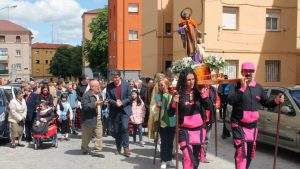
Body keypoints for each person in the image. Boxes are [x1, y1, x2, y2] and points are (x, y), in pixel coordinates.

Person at [228, 62, 284, 169]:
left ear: (253, 72)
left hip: (252, 127)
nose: (248, 73)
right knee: (241, 152)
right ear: (242, 72)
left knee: (249, 154)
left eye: (251, 71)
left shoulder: (258, 87)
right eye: (246, 71)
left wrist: (275, 101)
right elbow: (230, 101)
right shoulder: (236, 86)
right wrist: (242, 89)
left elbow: (266, 102)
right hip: (238, 125)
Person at [175, 68, 210, 169]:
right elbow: (170, 113)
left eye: (193, 79)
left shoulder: (199, 93)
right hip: (184, 130)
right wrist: (174, 103)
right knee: (187, 155)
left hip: (198, 130)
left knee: (195, 159)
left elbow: (209, 107)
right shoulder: (179, 94)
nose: (191, 82)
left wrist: (205, 97)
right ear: (184, 81)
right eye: (188, 80)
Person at [106, 70, 132, 157]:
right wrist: (115, 102)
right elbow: (108, 98)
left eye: (116, 77)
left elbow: (130, 97)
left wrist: (122, 102)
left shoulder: (126, 85)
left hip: (125, 110)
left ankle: (126, 148)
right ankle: (118, 147)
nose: (115, 79)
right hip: (115, 111)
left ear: (119, 77)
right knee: (117, 130)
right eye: (113, 78)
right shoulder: (109, 86)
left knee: (124, 128)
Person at [154, 78, 176, 169]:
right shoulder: (158, 95)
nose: (161, 87)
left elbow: (174, 106)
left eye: (162, 85)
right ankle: (163, 160)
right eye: (160, 85)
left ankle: (169, 159)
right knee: (164, 141)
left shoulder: (172, 94)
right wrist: (165, 96)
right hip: (162, 120)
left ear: (167, 85)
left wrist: (172, 96)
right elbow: (159, 105)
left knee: (171, 141)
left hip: (171, 120)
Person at [81, 80, 104, 158]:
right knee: (87, 136)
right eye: (97, 86)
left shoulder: (99, 94)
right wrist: (95, 104)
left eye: (99, 85)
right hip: (89, 119)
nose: (99, 87)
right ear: (92, 87)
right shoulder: (86, 95)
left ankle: (97, 150)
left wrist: (104, 104)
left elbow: (101, 104)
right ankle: (84, 148)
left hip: (98, 118)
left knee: (99, 134)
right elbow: (85, 107)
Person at [218, 75, 231, 139]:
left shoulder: (222, 85)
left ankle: (226, 133)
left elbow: (219, 94)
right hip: (227, 103)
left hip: (226, 103)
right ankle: (225, 133)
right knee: (226, 118)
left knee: (226, 118)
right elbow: (219, 94)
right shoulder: (228, 85)